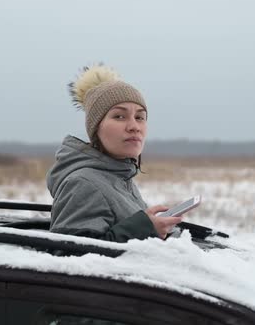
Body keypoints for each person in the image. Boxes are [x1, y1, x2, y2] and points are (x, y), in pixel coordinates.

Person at [46, 64, 182, 242]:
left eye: (140, 117)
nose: (134, 127)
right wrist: (144, 228)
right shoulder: (84, 183)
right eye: (119, 116)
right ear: (96, 128)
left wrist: (153, 226)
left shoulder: (119, 177)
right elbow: (68, 256)